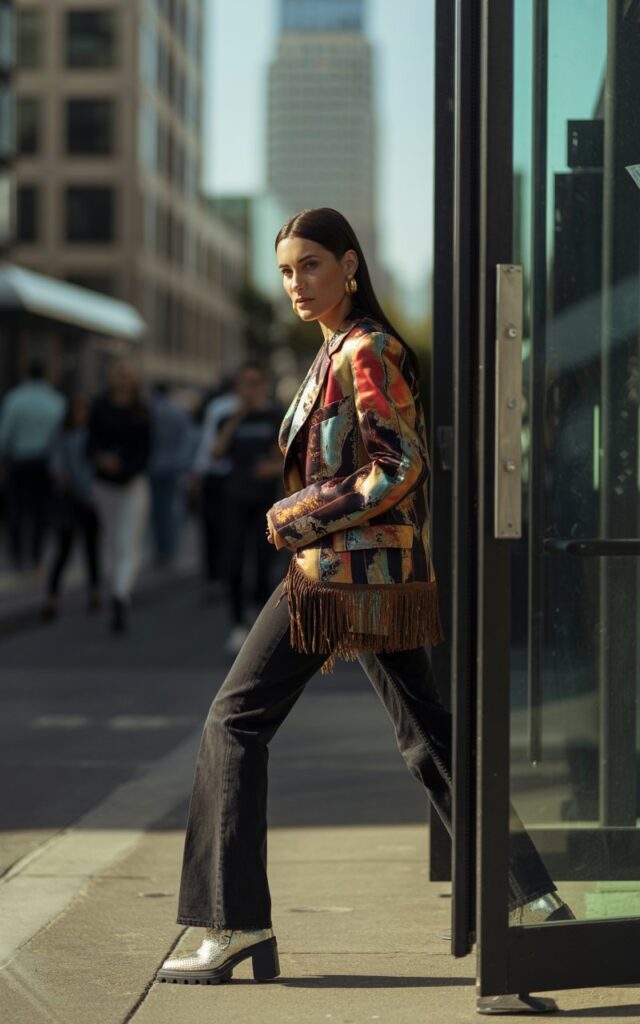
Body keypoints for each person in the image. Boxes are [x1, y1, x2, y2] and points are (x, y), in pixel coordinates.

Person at [156, 207, 573, 989]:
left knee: (232, 721)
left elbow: (398, 466)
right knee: (430, 738)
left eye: (311, 265)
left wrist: (295, 512)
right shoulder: (333, 353)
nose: (296, 284)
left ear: (350, 265)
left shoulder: (367, 349)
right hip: (368, 577)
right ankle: (533, 901)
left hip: (340, 576)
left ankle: (233, 920)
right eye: (285, 271)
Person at [210, 361, 283, 654]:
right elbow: (215, 452)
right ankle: (238, 623)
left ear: (264, 387)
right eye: (244, 384)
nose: (249, 390)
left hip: (266, 503)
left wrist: (273, 468)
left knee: (264, 563)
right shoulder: (229, 418)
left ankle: (263, 624)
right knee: (235, 562)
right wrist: (235, 419)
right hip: (235, 498)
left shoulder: (275, 416)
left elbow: (288, 458)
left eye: (255, 383)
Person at [86, 358, 151, 634]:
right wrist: (102, 459)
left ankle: (120, 594)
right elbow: (90, 443)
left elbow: (147, 448)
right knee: (110, 540)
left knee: (129, 540)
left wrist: (125, 464)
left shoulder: (141, 410)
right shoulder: (99, 406)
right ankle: (115, 587)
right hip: (104, 484)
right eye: (119, 374)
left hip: (132, 482)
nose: (123, 379)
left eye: (128, 374)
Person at [0, 360, 67, 574]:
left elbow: (4, 436)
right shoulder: (56, 401)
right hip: (45, 462)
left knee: (16, 509)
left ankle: (18, 558)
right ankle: (36, 557)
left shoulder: (14, 399)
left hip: (19, 460)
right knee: (41, 512)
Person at [41, 394, 101, 619]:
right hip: (70, 499)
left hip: (91, 500)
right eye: (77, 411)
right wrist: (60, 476)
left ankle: (94, 591)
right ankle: (52, 596)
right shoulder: (62, 435)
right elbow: (55, 462)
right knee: (63, 550)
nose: (80, 415)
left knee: (91, 548)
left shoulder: (93, 436)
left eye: (84, 411)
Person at [190, 379, 239, 601]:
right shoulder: (223, 408)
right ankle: (222, 577)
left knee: (217, 530)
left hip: (224, 477)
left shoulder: (219, 407)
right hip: (223, 476)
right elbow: (208, 445)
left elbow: (205, 445)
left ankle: (218, 577)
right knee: (219, 529)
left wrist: (198, 474)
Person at [148, 382, 194, 567]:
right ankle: (170, 550)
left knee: (156, 512)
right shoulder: (178, 411)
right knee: (171, 509)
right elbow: (186, 439)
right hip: (175, 465)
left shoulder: (151, 411)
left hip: (154, 464)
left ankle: (160, 550)